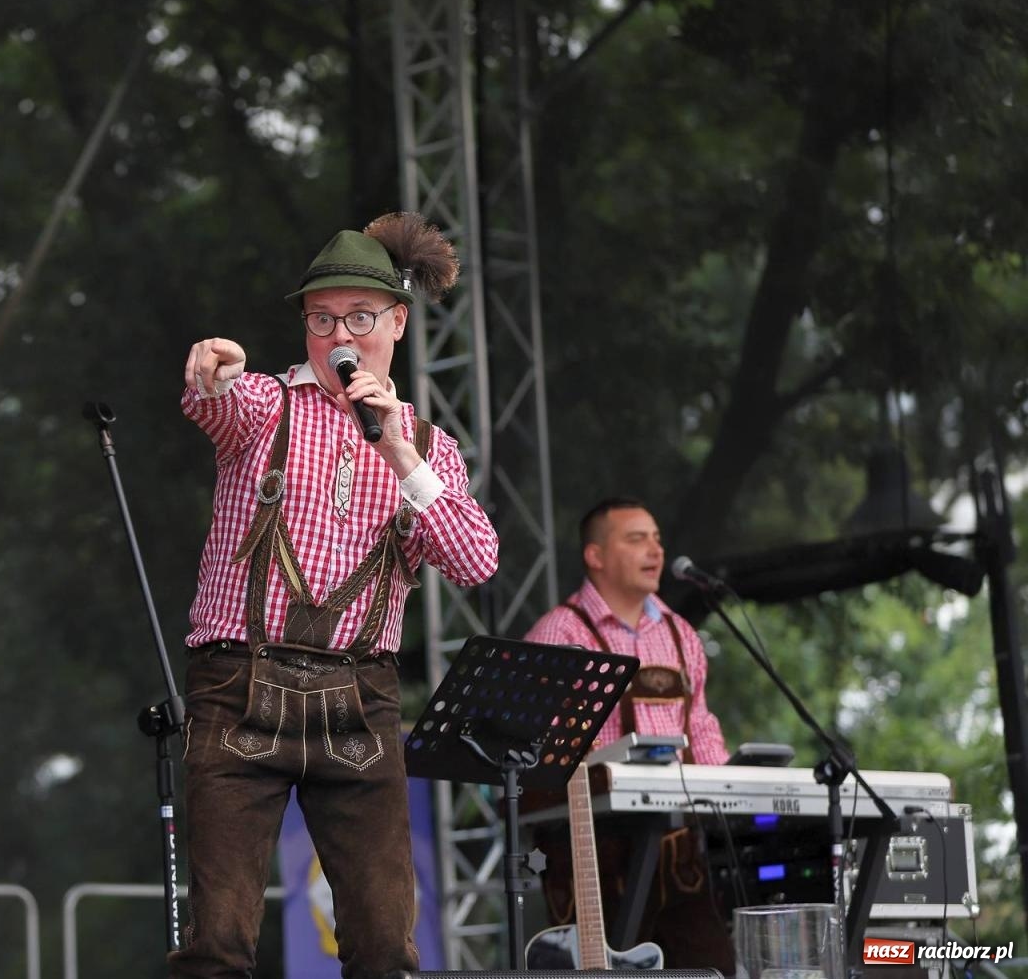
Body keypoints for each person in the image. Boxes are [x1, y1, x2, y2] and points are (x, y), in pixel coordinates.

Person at [173, 212, 500, 979]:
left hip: (362, 700)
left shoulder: (429, 446)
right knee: (219, 940)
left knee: (386, 946)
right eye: (321, 319)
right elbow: (215, 399)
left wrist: (395, 448)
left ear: (397, 323)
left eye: (358, 317)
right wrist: (212, 368)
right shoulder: (266, 406)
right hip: (237, 686)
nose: (338, 335)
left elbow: (476, 561)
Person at [523, 496, 733, 971]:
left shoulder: (682, 634)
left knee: (712, 967)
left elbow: (699, 727)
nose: (655, 550)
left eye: (657, 539)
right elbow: (536, 759)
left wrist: (730, 787)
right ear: (595, 556)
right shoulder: (559, 634)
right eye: (636, 539)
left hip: (679, 850)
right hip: (593, 852)